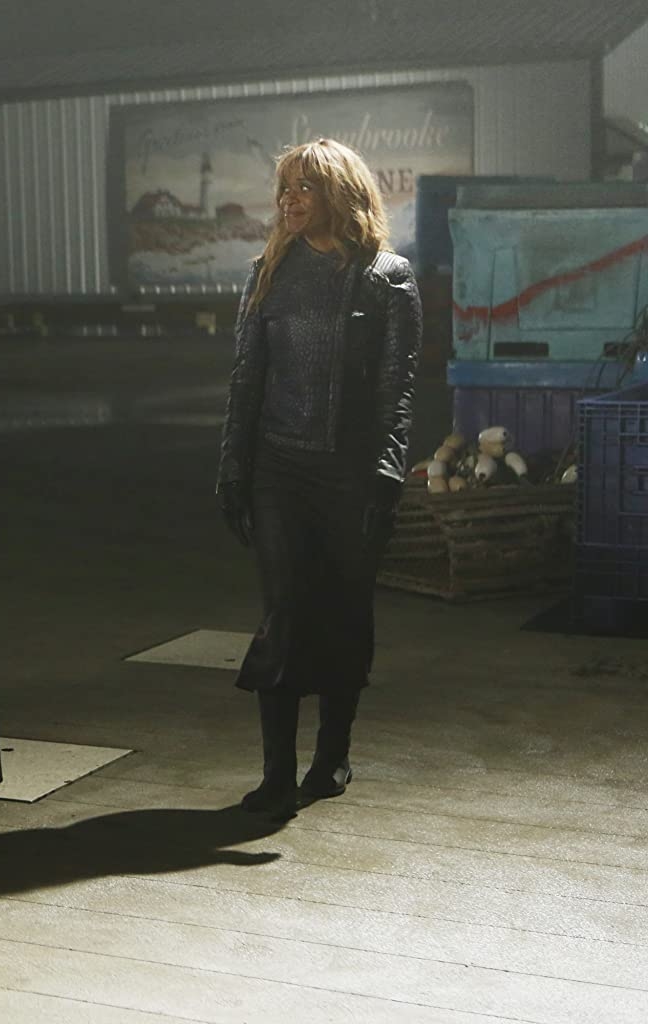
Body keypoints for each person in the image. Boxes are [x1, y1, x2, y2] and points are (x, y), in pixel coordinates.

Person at [216, 137, 421, 818]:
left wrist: (387, 473)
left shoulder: (388, 277)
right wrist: (232, 467)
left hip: (351, 474)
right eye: (284, 188)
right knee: (284, 612)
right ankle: (276, 774)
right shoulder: (269, 271)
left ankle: (332, 755)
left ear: (340, 194)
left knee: (344, 613)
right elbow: (246, 378)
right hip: (279, 469)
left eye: (304, 187)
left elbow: (396, 389)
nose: (288, 199)